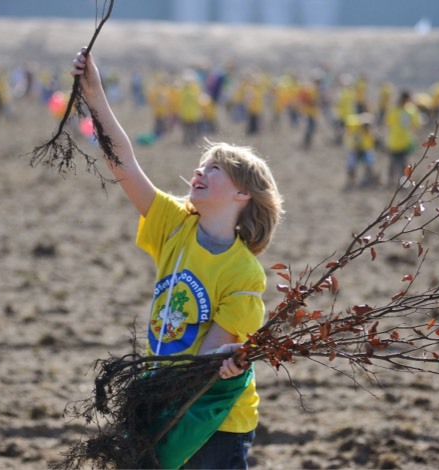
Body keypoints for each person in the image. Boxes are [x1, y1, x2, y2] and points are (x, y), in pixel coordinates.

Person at [72, 48, 283, 469]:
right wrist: (95, 96)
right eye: (200, 164)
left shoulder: (245, 275)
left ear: (243, 194)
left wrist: (221, 365)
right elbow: (125, 164)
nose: (199, 172)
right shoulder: (176, 225)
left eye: (215, 168)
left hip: (213, 421)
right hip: (165, 397)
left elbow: (203, 364)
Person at [384, 90, 421, 188]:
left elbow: (416, 123)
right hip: (395, 141)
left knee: (403, 163)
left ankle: (403, 180)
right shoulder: (396, 110)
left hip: (404, 141)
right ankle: (390, 180)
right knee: (393, 162)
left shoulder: (410, 110)